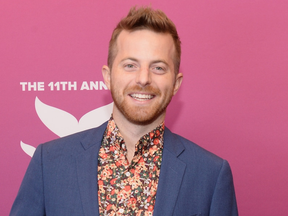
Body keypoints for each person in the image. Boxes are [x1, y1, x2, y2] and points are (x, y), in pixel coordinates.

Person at [10, 6, 238, 216]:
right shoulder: (49, 163)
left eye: (158, 68)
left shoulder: (211, 175)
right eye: (130, 65)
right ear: (108, 77)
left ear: (176, 83)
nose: (143, 79)